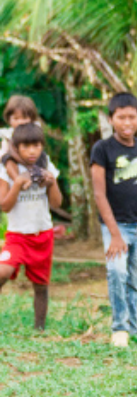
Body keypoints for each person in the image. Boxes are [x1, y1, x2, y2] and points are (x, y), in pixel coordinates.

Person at [89, 93, 137, 348]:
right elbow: (99, 194)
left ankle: (133, 327)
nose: (127, 122)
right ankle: (119, 327)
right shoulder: (102, 149)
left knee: (134, 279)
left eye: (132, 117)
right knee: (116, 272)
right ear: (111, 119)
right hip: (115, 226)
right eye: (121, 117)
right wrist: (115, 234)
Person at [0, 122, 62, 330]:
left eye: (36, 145)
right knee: (2, 272)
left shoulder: (46, 165)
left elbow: (56, 204)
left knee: (41, 285)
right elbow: (4, 206)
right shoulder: (7, 170)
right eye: (25, 146)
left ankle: (39, 328)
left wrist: (52, 182)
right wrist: (17, 184)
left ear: (42, 146)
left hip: (43, 234)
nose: (32, 151)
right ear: (16, 148)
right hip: (17, 236)